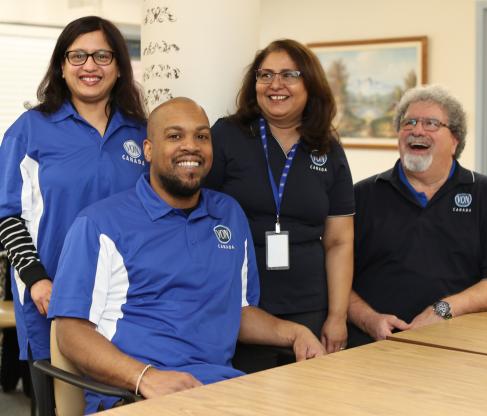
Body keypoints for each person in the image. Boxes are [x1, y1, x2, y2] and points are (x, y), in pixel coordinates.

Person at [48, 97, 325, 413]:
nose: (190, 146)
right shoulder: (99, 224)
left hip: (221, 391)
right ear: (149, 150)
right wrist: (145, 377)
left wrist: (295, 332)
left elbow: (239, 311)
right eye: (175, 136)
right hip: (133, 395)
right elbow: (71, 332)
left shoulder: (229, 215)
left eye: (201, 136)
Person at [0, 16, 147, 412]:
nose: (90, 66)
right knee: (57, 406)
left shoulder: (141, 132)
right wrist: (36, 280)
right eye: (77, 55)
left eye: (102, 55)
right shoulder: (29, 130)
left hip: (127, 300)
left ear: (118, 67)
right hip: (54, 297)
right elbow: (6, 215)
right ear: (61, 67)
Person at [204, 39, 354, 371]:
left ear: (310, 84)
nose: (275, 84)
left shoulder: (327, 147)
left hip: (310, 305)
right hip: (241, 306)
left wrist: (337, 316)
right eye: (265, 75)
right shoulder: (228, 135)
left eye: (289, 74)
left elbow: (339, 241)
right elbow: (196, 215)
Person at [348, 84, 487, 347]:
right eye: (409, 122)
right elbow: (335, 277)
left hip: (462, 347)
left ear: (455, 140)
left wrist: (444, 309)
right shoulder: (361, 196)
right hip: (373, 345)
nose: (417, 130)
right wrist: (368, 319)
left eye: (431, 123)